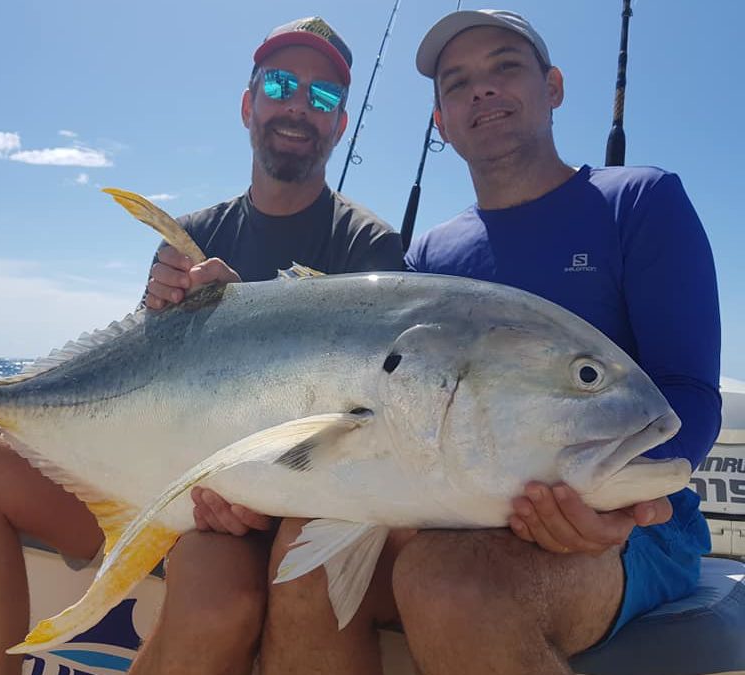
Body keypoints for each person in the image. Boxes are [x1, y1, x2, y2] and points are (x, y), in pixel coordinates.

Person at [0, 15, 403, 675]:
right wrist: (149, 316)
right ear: (247, 104)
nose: (297, 106)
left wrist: (244, 324)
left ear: (341, 123)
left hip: (261, 513)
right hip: (150, 474)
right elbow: (135, 382)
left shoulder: (368, 250)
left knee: (214, 594)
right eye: (282, 84)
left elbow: (372, 429)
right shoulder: (191, 234)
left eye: (322, 97)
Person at [256, 9, 722, 675]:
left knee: (451, 582)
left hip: (635, 527)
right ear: (441, 124)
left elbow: (690, 397)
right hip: (455, 503)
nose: (482, 89)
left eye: (505, 66)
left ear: (554, 86)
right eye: (457, 83)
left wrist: (609, 506)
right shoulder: (428, 255)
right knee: (300, 553)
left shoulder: (640, 201)